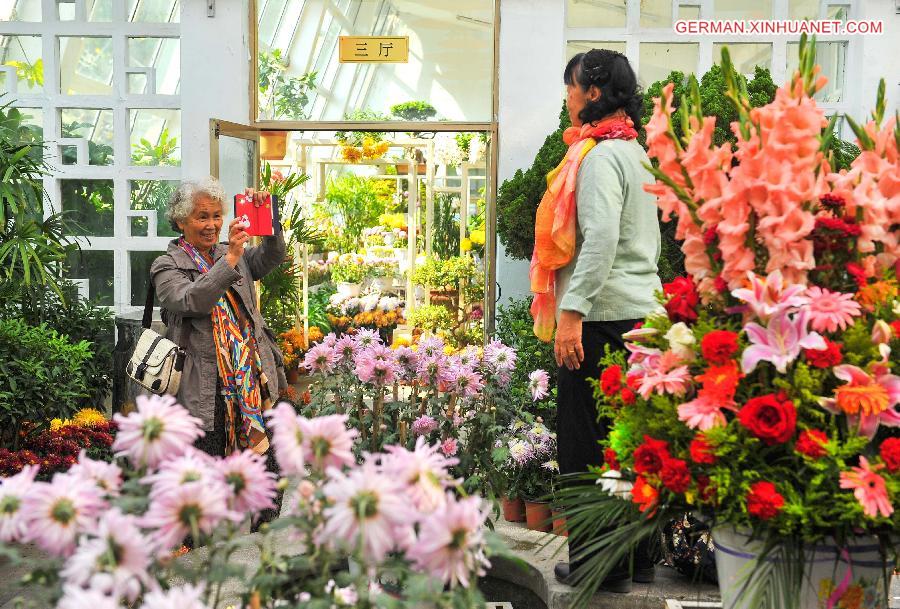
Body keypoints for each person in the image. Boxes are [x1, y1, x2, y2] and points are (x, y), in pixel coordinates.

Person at [529, 49, 662, 592]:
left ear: (592, 93)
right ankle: (635, 560)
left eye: (571, 87)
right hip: (637, 315)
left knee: (585, 445)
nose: (567, 96)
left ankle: (595, 567)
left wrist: (571, 314)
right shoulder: (633, 152)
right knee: (629, 444)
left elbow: (602, 240)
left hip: (602, 318)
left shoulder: (602, 159)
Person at [151, 177, 287, 458]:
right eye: (202, 217)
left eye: (216, 216)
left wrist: (266, 213)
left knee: (262, 476)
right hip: (202, 389)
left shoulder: (232, 253)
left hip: (252, 379)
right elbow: (191, 300)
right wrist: (229, 262)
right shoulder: (166, 266)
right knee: (209, 471)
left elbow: (273, 255)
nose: (211, 225)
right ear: (180, 221)